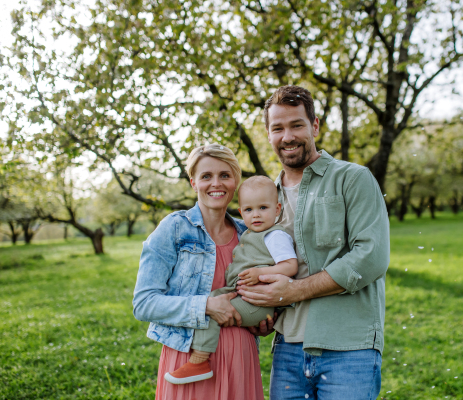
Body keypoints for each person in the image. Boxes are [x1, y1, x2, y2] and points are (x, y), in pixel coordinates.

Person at [237, 85, 390, 400]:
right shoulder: (266, 198)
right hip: (288, 348)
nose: (288, 136)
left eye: (297, 125)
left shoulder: (352, 179)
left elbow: (371, 256)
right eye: (278, 128)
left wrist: (292, 291)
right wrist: (267, 311)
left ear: (315, 126)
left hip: (348, 346)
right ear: (268, 134)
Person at [133, 143, 267, 400]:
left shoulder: (249, 234)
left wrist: (262, 322)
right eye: (206, 176)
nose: (216, 183)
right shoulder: (173, 228)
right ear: (193, 182)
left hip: (240, 356)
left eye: (224, 175)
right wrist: (205, 306)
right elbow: (144, 303)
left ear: (235, 181)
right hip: (189, 358)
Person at [164, 175, 298, 384]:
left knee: (214, 312)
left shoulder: (275, 236)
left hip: (257, 301)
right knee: (208, 302)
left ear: (278, 209)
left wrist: (260, 273)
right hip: (243, 294)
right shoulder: (247, 233)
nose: (256, 215)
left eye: (263, 208)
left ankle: (200, 360)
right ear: (240, 211)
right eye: (249, 210)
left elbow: (291, 266)